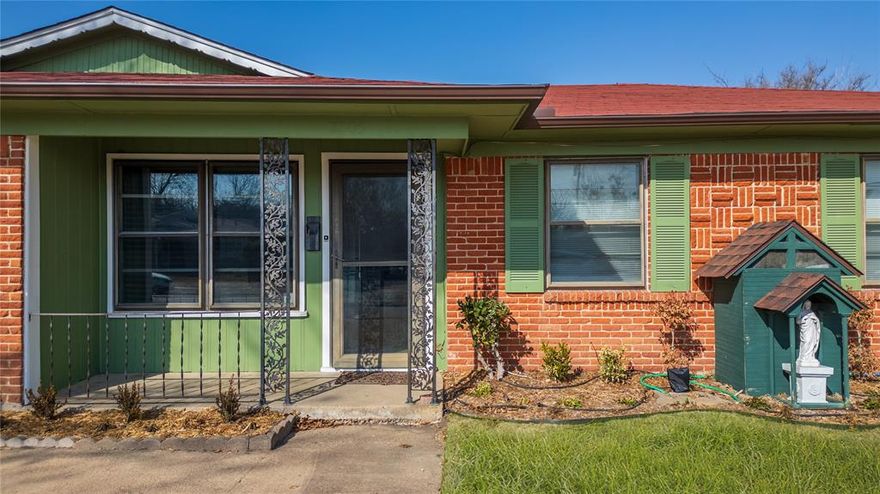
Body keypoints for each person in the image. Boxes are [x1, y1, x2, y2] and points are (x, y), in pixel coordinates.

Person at [796, 300, 821, 367]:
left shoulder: (812, 313)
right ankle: (804, 356)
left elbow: (817, 321)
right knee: (806, 342)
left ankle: (811, 357)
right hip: (805, 331)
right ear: (805, 305)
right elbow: (798, 321)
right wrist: (803, 320)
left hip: (812, 330)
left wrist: (815, 319)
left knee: (812, 342)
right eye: (807, 305)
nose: (808, 306)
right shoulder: (802, 313)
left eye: (809, 305)